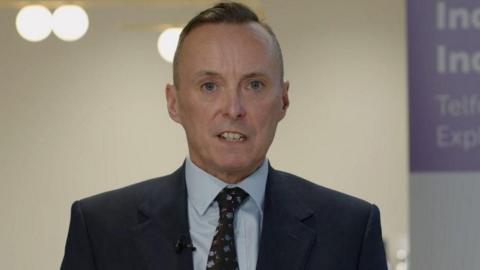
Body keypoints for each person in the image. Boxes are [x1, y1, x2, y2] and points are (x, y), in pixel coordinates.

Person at [61, 2, 388, 270]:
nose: (233, 109)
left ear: (283, 100)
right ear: (173, 103)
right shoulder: (100, 229)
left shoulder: (351, 230)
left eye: (254, 85)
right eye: (209, 86)